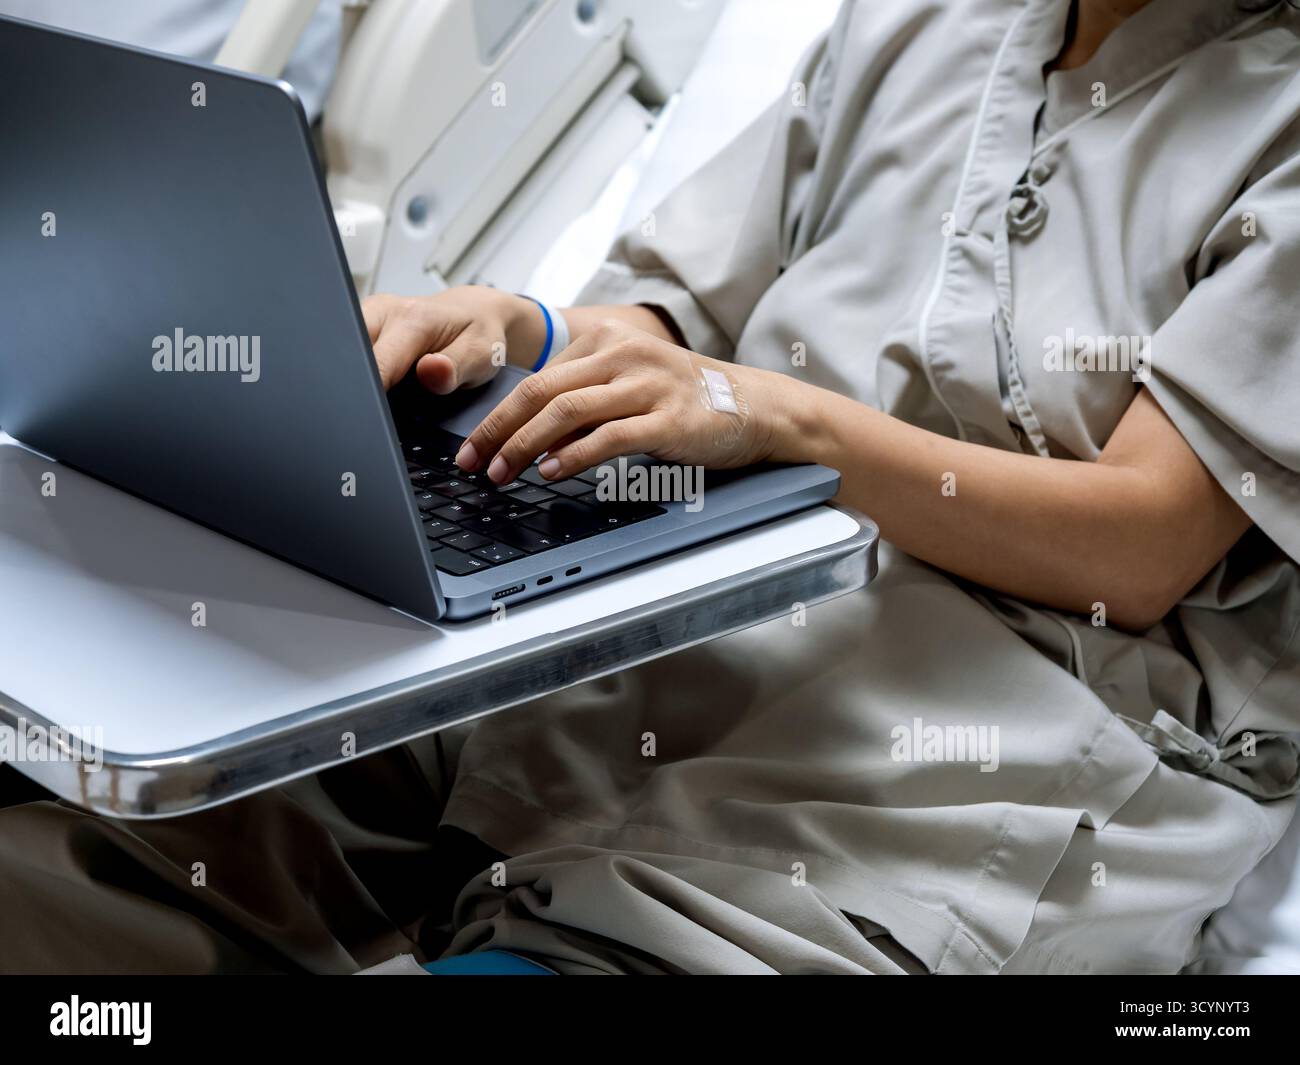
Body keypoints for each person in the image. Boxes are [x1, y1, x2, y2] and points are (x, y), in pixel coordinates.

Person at [2, 0, 1298, 974]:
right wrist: (522, 333)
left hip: (973, 750)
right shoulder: (935, 23)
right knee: (70, 892)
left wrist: (781, 415)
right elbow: (682, 305)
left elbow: (1143, 542)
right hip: (671, 616)